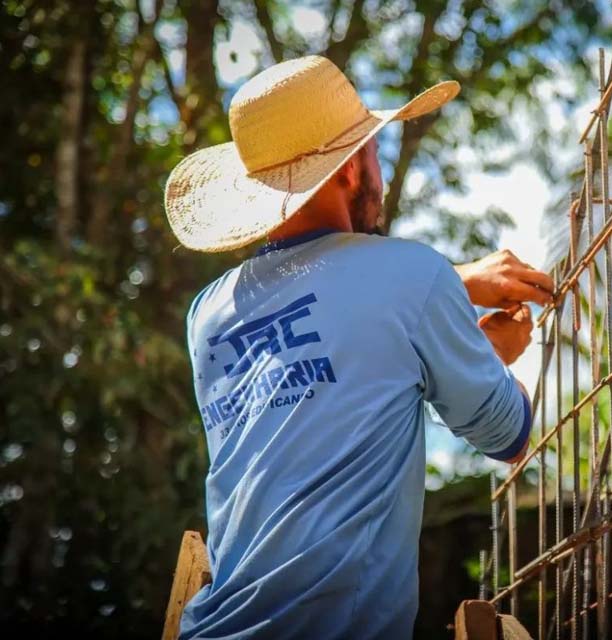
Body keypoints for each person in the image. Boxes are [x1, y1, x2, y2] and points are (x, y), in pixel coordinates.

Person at [163, 55, 554, 639]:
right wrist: (483, 348)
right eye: (373, 147)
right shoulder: (412, 277)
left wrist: (452, 285)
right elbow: (507, 435)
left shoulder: (208, 312)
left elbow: (328, 346)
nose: (380, 161)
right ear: (349, 169)